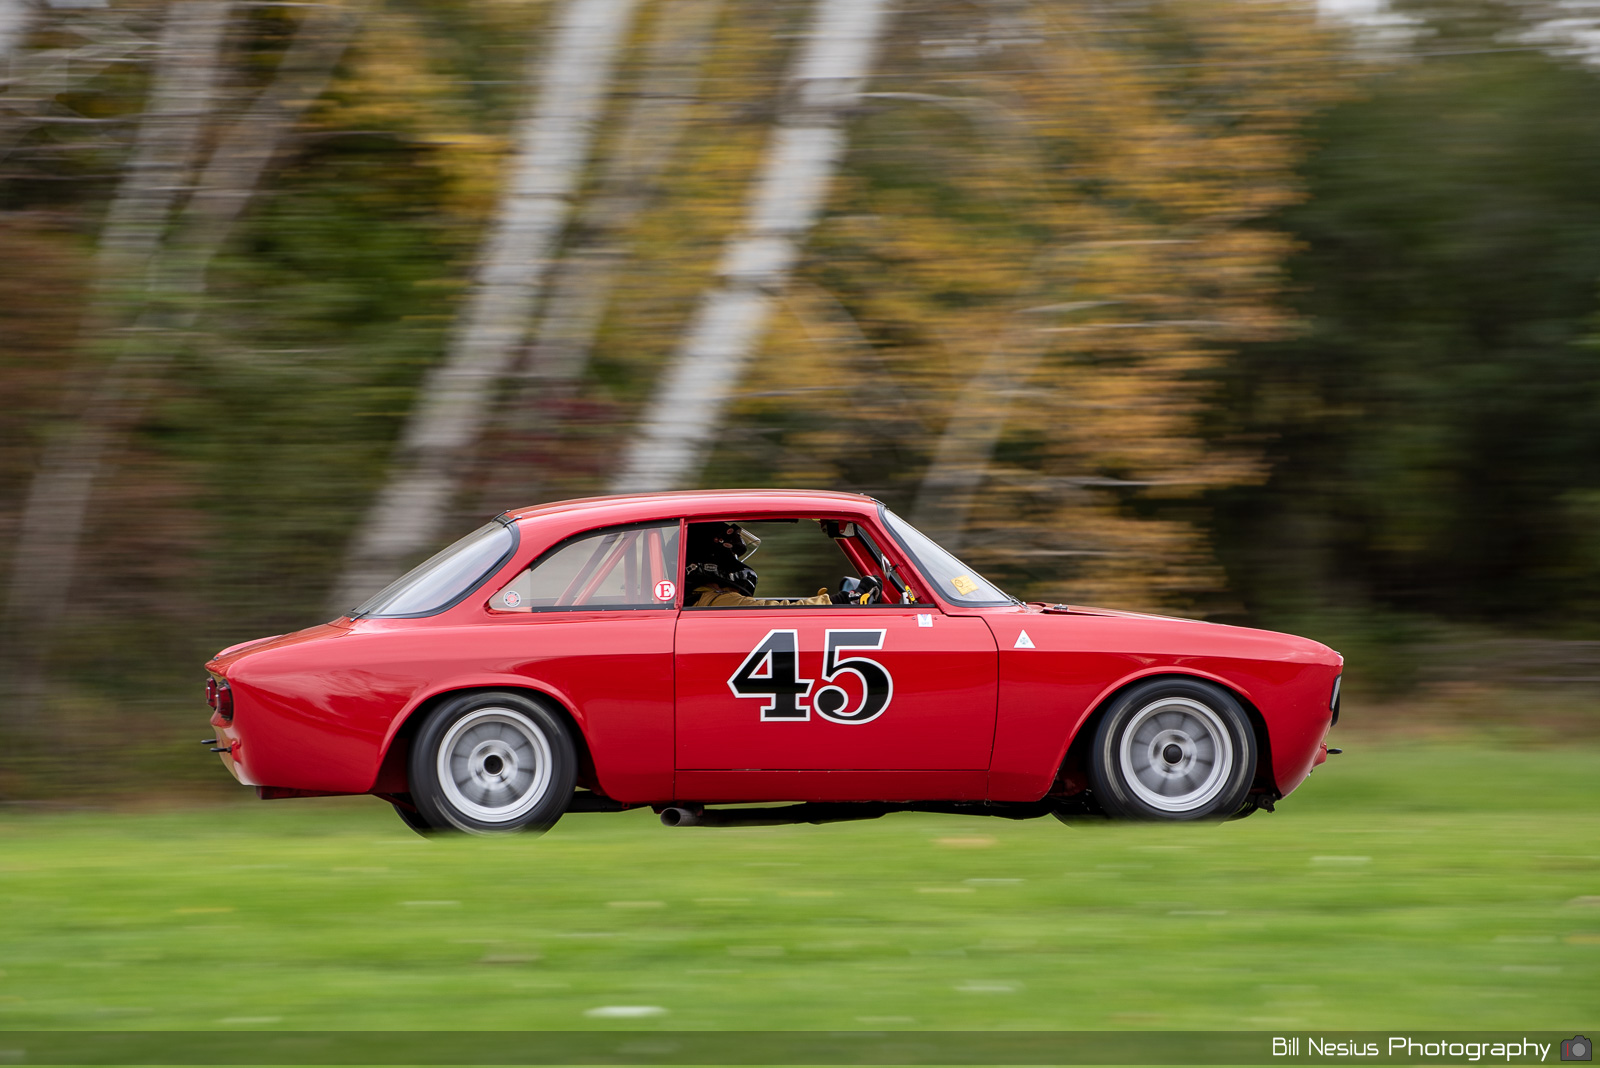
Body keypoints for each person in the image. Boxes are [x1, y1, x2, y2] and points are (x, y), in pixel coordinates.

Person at [684, 522, 877, 607]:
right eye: (731, 555)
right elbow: (775, 610)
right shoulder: (716, 601)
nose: (735, 563)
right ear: (711, 560)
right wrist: (843, 600)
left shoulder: (704, 600)